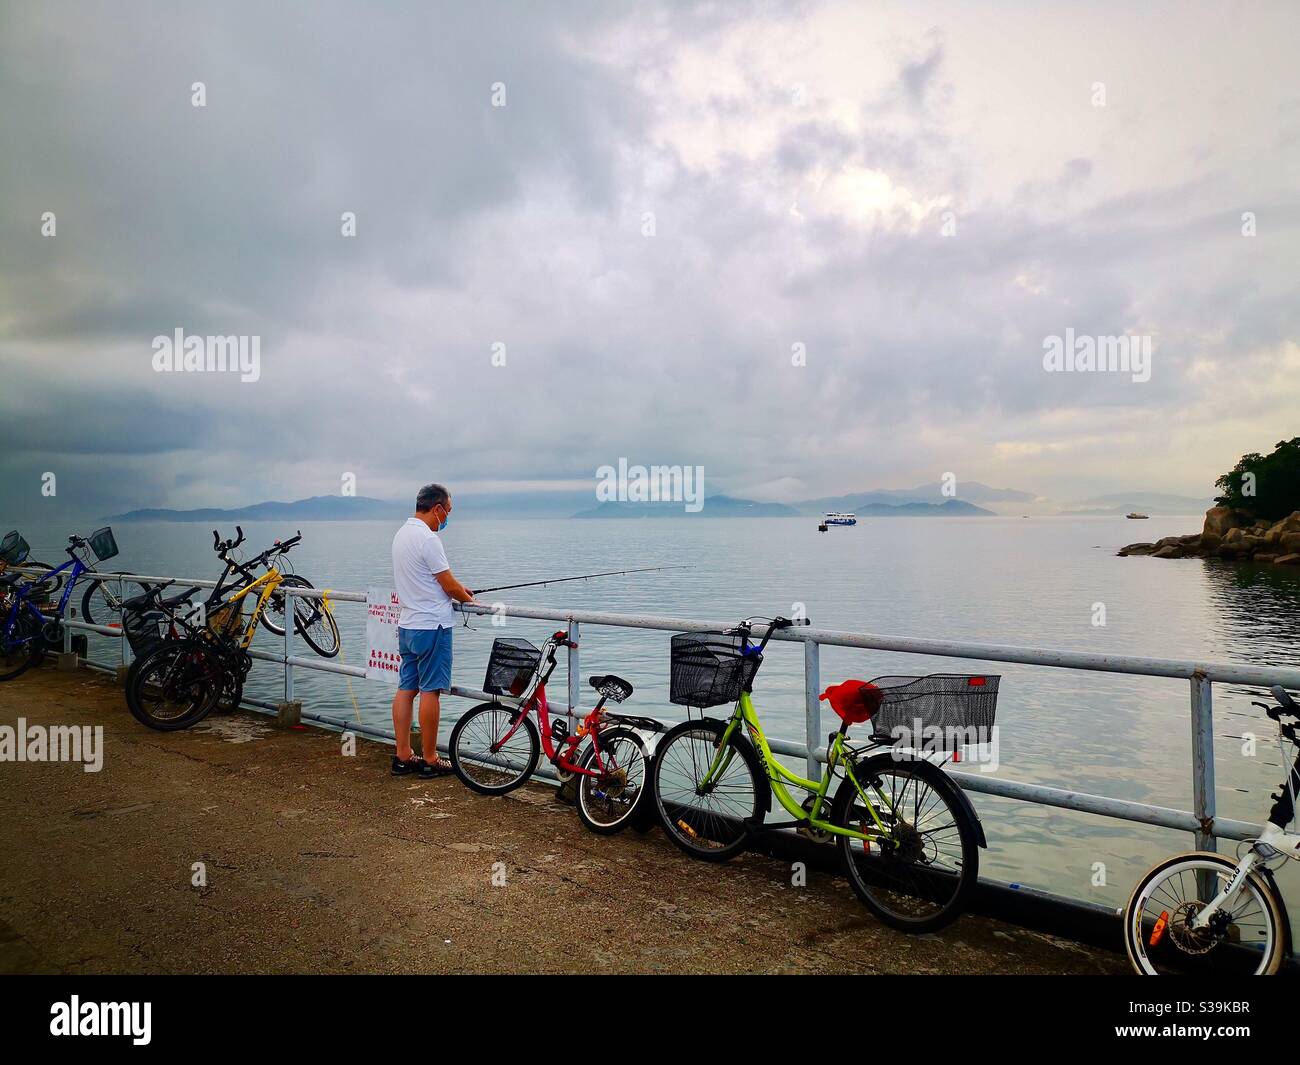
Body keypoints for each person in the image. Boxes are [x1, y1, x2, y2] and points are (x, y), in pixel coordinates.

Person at [389, 483, 475, 777]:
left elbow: (429, 580)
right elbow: (448, 585)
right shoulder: (428, 539)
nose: (448, 518)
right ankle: (429, 759)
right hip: (432, 626)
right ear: (437, 509)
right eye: (448, 512)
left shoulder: (401, 534)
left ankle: (402, 756)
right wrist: (467, 597)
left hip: (408, 625)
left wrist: (455, 588)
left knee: (405, 689)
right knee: (430, 692)